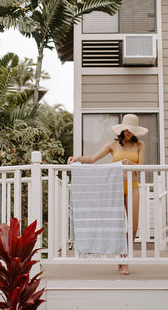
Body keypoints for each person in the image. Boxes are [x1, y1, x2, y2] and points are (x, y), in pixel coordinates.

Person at [67, 114, 148, 275]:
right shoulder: (113, 144)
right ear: (122, 129)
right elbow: (93, 158)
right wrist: (77, 158)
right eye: (127, 129)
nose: (129, 132)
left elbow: (141, 166)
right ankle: (124, 261)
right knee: (117, 225)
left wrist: (130, 163)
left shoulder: (140, 145)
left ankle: (123, 257)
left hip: (133, 186)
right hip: (115, 188)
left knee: (133, 226)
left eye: (132, 130)